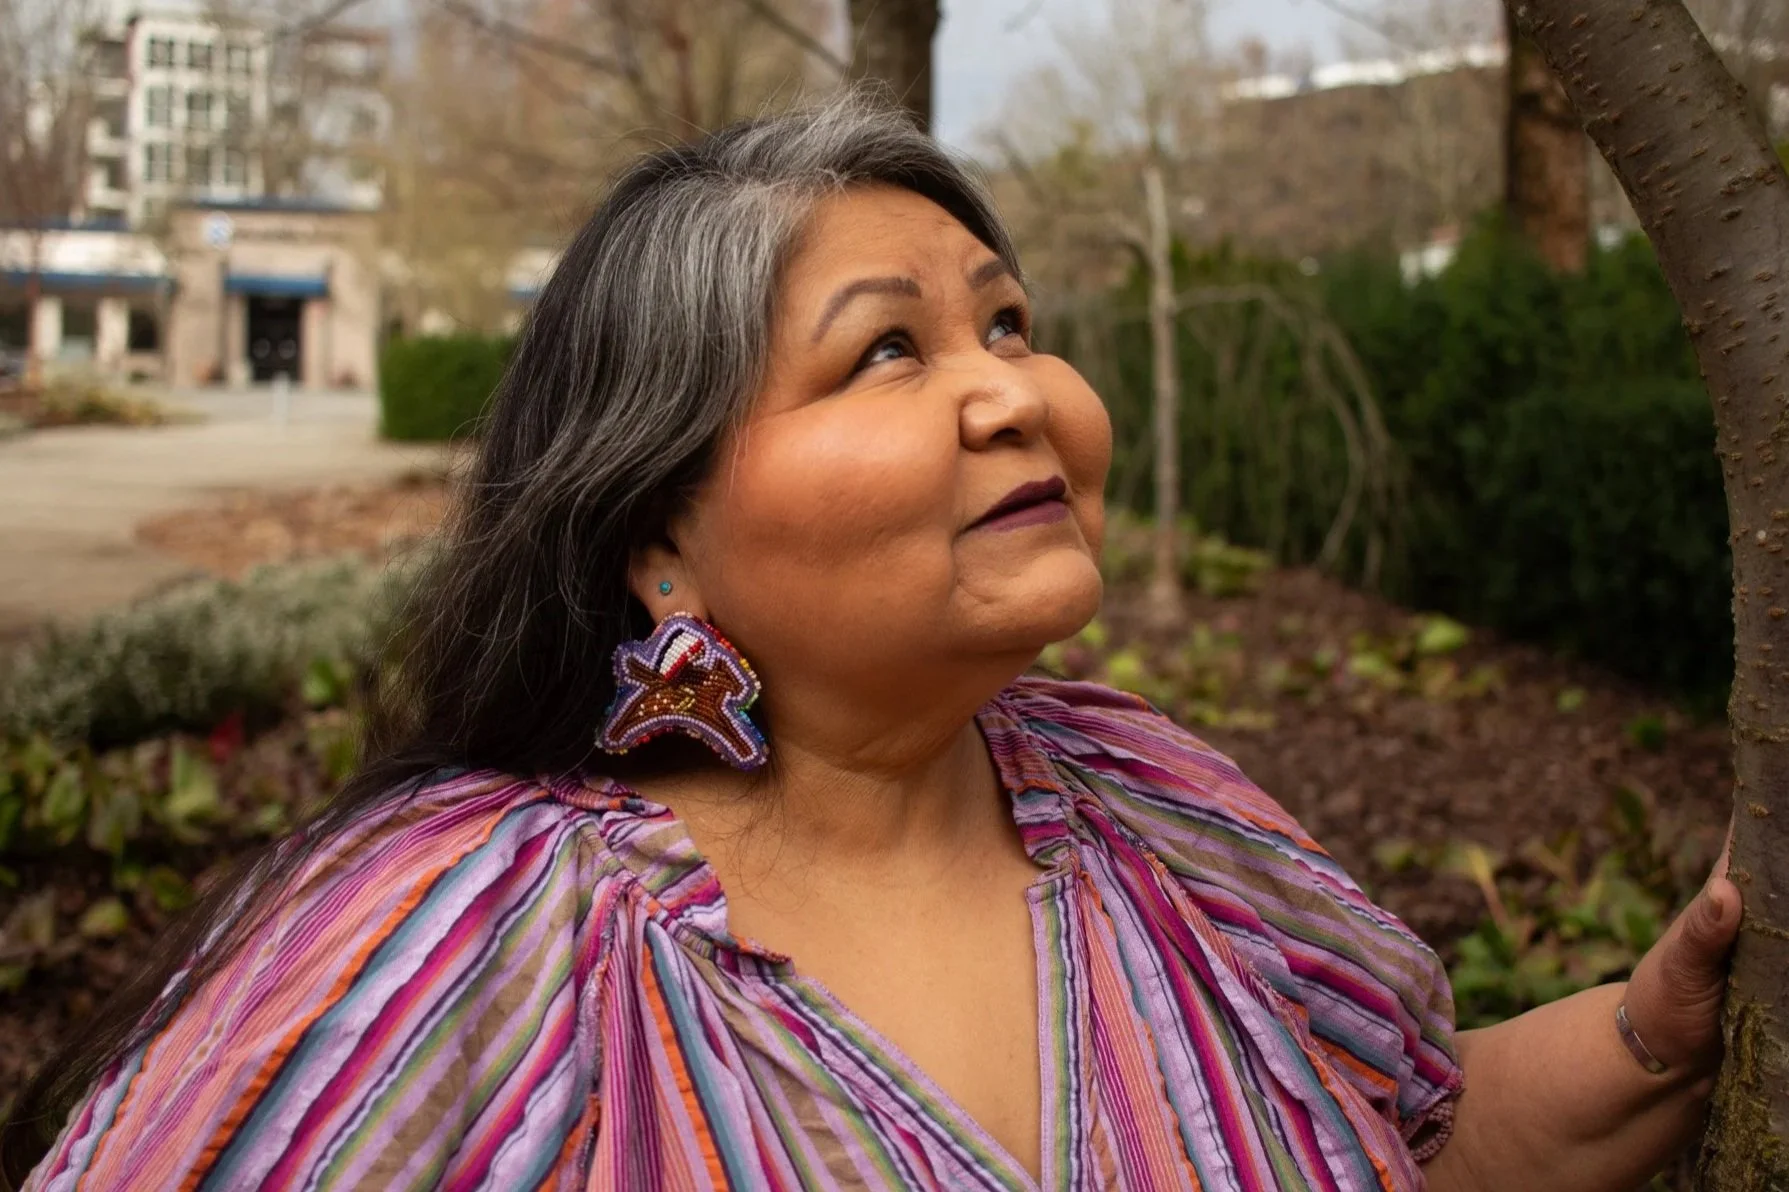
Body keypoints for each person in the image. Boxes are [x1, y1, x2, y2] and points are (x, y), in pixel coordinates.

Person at [4, 93, 1741, 1192]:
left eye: (1007, 319)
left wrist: (1661, 1031)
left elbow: (1422, 1145)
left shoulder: (1158, 812)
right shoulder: (474, 937)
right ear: (661, 535)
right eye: (889, 353)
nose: (1017, 394)